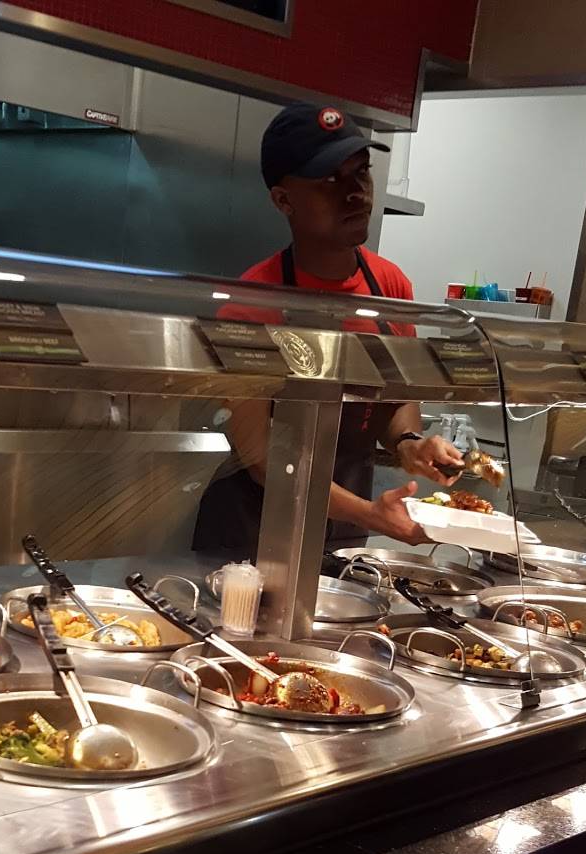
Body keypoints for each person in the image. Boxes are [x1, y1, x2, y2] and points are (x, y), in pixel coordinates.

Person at [193, 101, 463, 557]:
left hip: (345, 530)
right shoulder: (252, 305)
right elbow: (262, 458)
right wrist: (367, 513)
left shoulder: (390, 288)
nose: (355, 192)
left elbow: (397, 398)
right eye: (330, 181)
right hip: (254, 532)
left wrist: (409, 443)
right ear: (283, 200)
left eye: (361, 172)